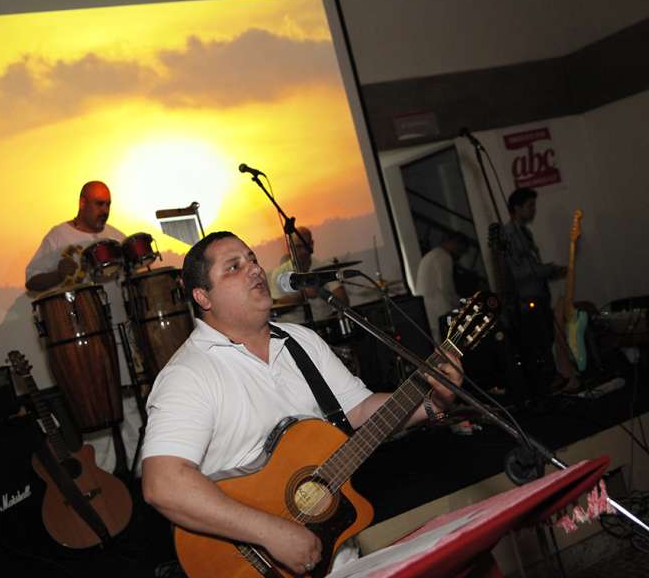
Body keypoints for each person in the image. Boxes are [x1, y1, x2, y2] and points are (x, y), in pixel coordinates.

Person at [141, 231, 462, 575]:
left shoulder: (301, 341)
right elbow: (164, 483)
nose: (254, 270)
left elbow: (360, 409)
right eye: (234, 267)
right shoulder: (189, 375)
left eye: (252, 259)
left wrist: (428, 403)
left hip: (340, 558)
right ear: (203, 296)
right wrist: (269, 532)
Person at [25, 180, 139, 473]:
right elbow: (32, 280)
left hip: (117, 333)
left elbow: (134, 272)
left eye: (108, 205)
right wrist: (56, 275)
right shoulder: (58, 236)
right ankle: (107, 485)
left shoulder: (116, 238)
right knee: (96, 409)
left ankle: (142, 478)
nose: (105, 211)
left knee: (130, 405)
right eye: (99, 204)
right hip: (81, 337)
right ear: (82, 203)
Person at [501, 187, 567, 397]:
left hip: (536, 294)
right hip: (526, 298)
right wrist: (550, 270)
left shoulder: (524, 233)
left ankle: (551, 385)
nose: (533, 210)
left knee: (545, 341)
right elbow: (520, 271)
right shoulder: (509, 234)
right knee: (537, 345)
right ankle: (545, 388)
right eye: (530, 206)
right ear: (517, 208)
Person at [268, 226, 350, 323]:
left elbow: (343, 301)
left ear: (312, 245)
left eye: (306, 245)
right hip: (295, 331)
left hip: (324, 326)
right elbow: (275, 308)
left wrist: (333, 293)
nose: (303, 251)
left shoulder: (324, 268)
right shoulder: (279, 274)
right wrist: (303, 295)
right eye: (299, 246)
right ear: (291, 247)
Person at [414, 231, 469, 343]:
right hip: (439, 309)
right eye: (460, 250)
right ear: (454, 243)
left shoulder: (431, 255)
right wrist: (461, 304)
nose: (459, 254)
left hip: (426, 310)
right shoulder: (444, 257)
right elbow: (445, 287)